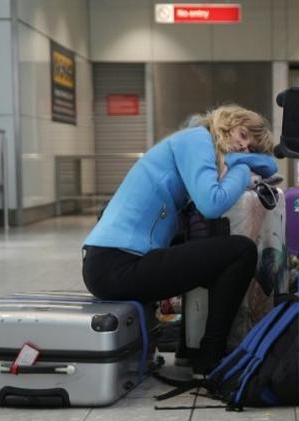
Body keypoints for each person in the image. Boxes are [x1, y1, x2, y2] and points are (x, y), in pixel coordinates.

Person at [81, 104, 278, 376]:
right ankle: (210, 357)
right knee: (240, 252)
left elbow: (270, 165)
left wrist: (237, 161)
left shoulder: (197, 144)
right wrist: (242, 168)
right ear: (228, 122)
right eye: (243, 135)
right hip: (117, 263)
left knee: (212, 253)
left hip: (117, 260)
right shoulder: (196, 139)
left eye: (250, 148)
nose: (243, 147)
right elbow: (212, 203)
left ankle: (191, 348)